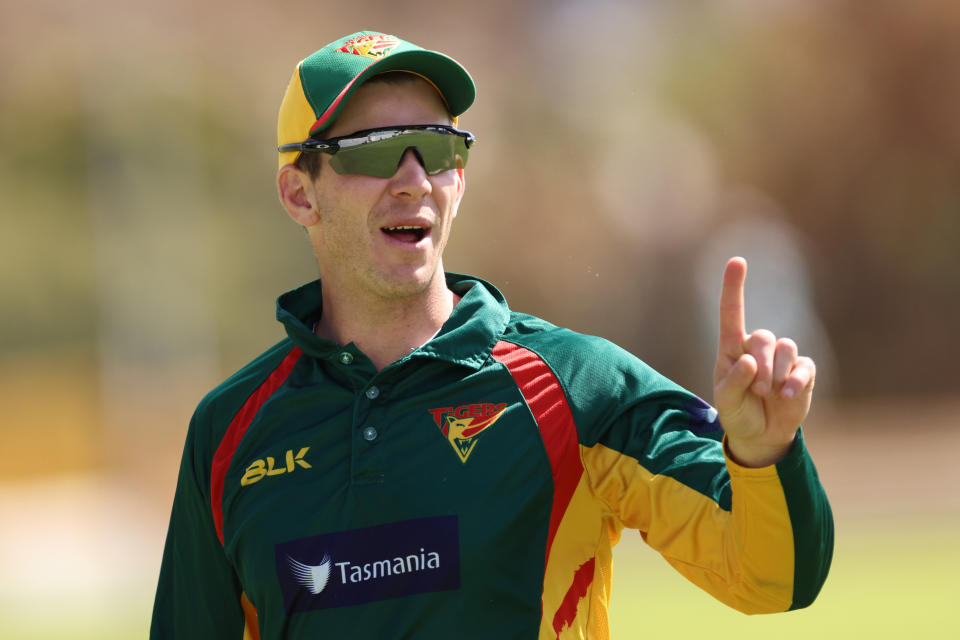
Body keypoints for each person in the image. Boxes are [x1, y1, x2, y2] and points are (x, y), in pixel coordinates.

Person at [151, 30, 833, 640]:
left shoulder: (580, 386)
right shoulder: (230, 431)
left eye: (439, 150)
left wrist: (762, 454)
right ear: (301, 194)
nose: (415, 179)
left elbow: (773, 580)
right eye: (379, 151)